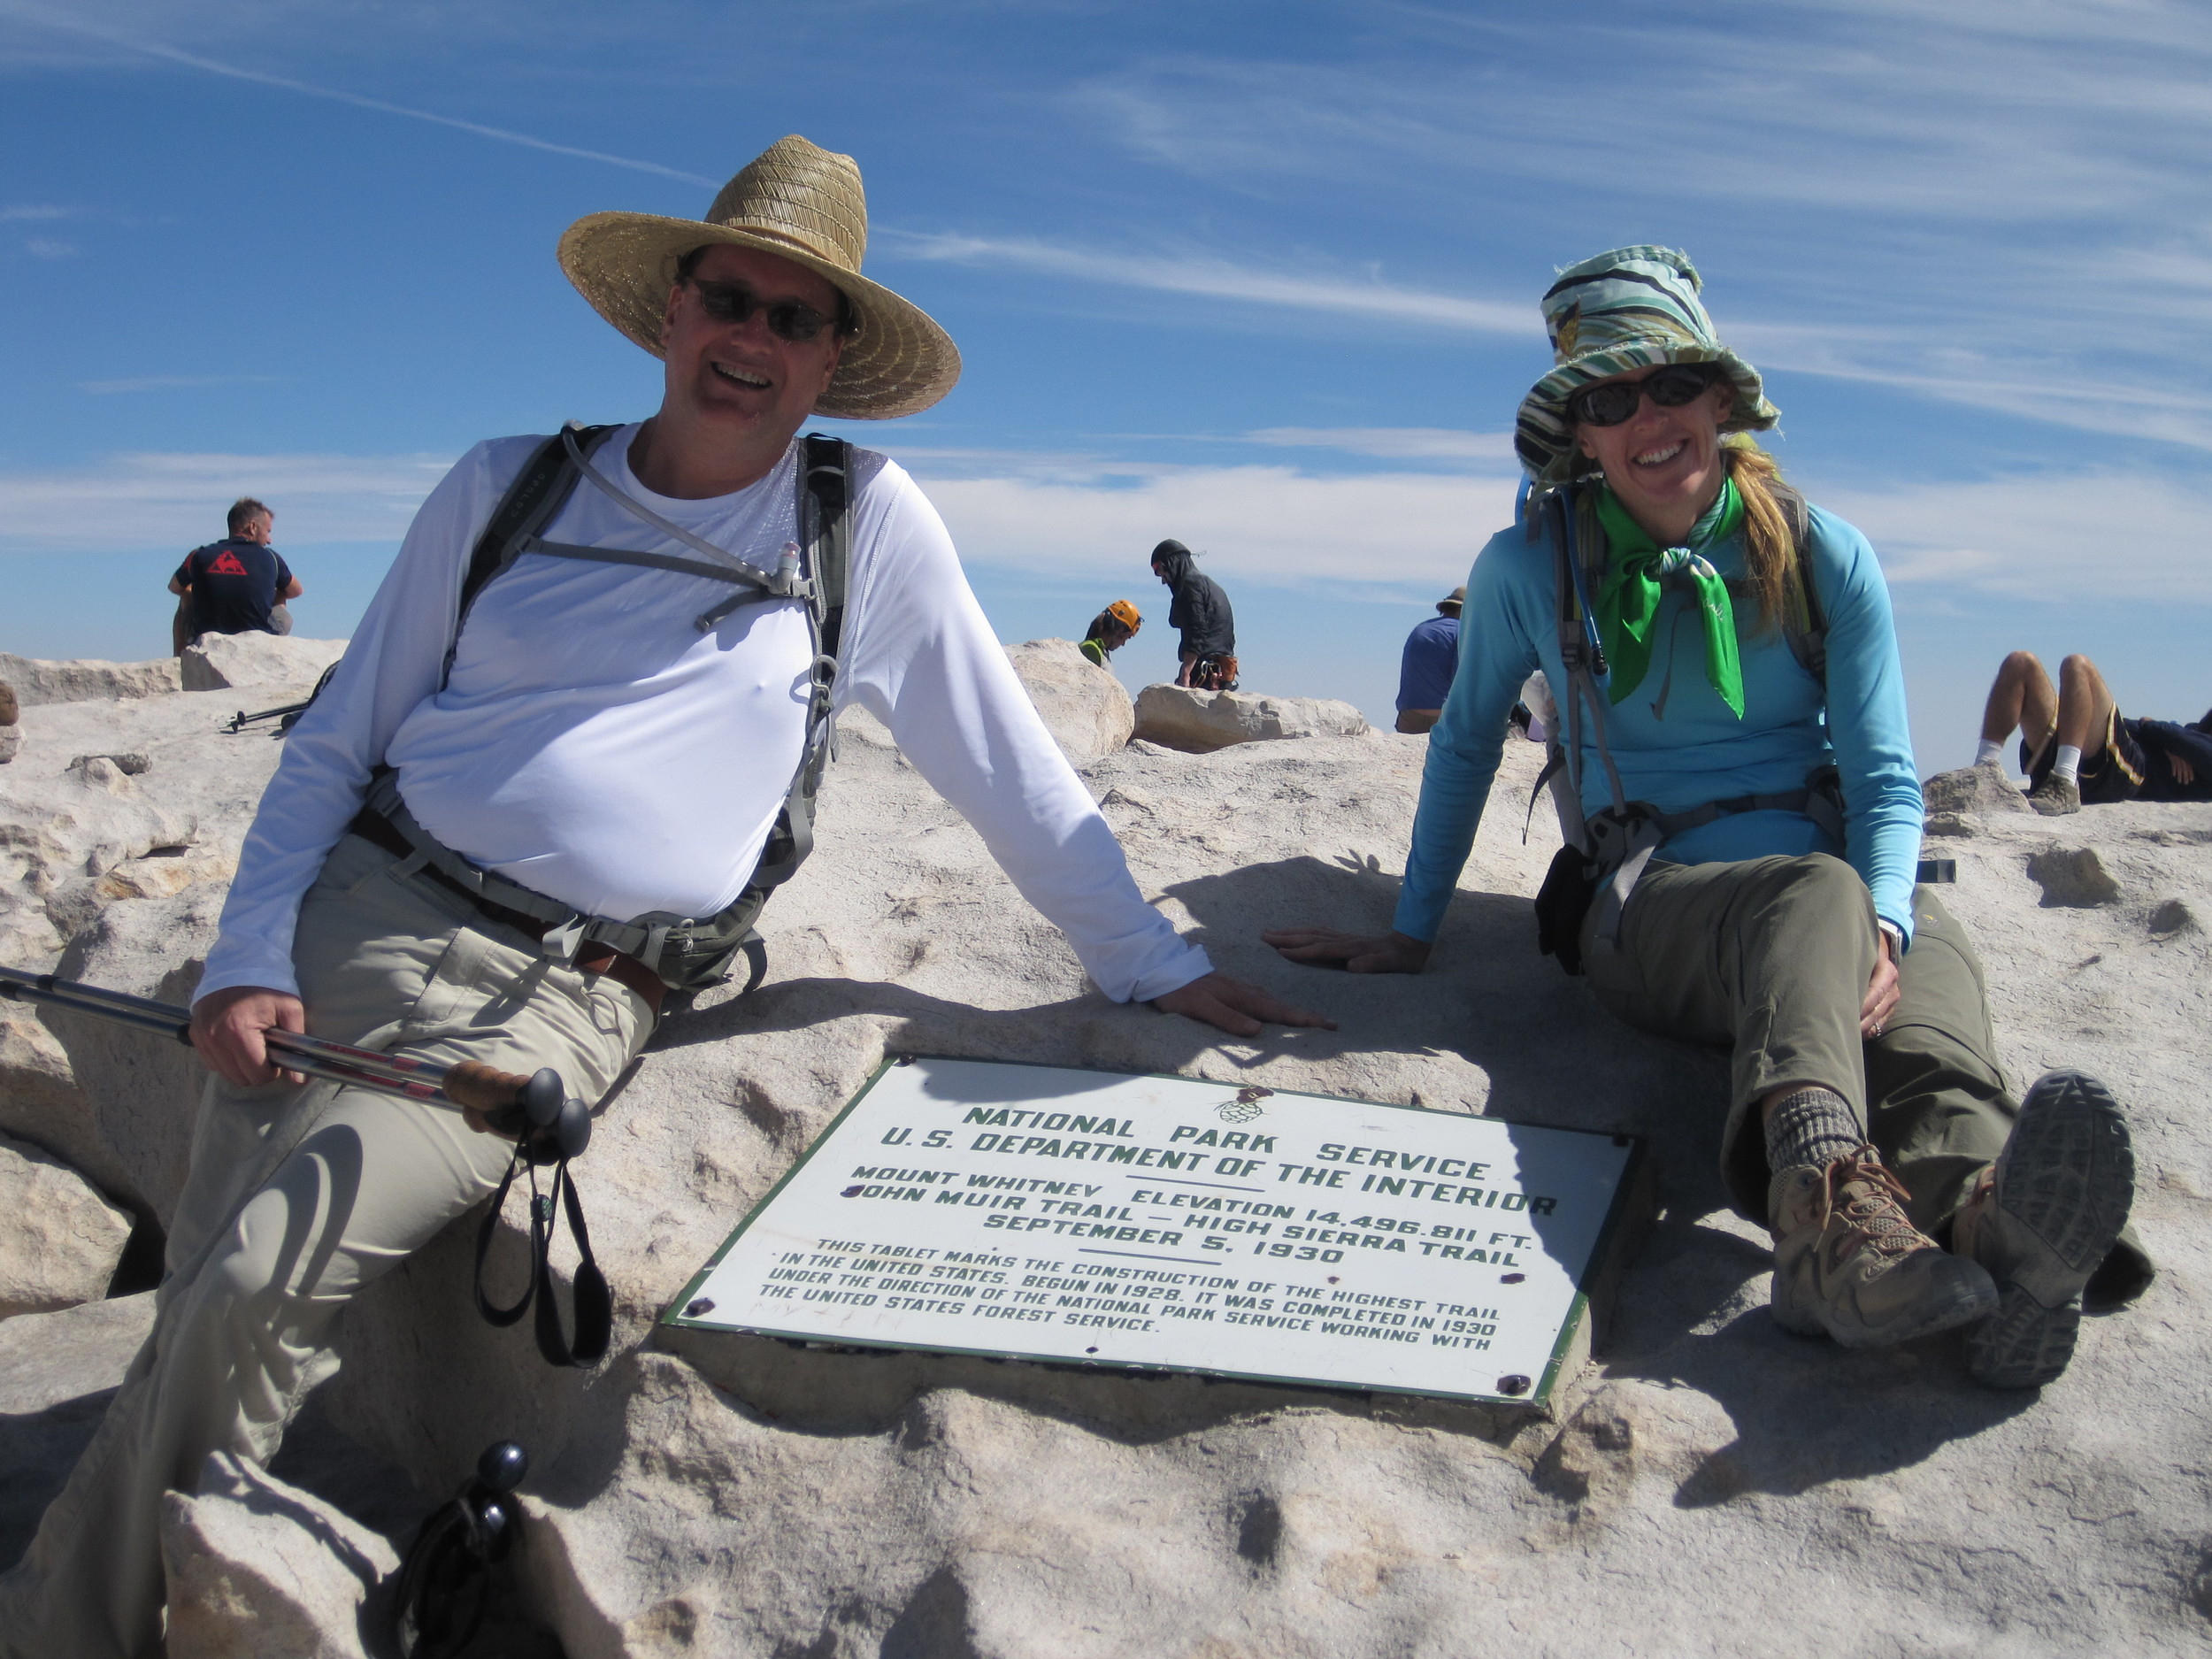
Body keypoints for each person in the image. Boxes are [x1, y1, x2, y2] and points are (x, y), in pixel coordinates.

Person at [0, 134, 1329, 1659]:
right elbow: (338, 738)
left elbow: (1001, 760)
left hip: (557, 992)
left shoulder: (861, 522)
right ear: (670, 313)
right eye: (728, 298)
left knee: (244, 1283)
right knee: (196, 1316)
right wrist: (245, 953)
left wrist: (1148, 961)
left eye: (795, 317)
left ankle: (58, 1628)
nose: (753, 337)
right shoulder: (504, 484)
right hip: (349, 917)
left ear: (834, 358)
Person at [1264, 245, 2147, 1391]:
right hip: (1647, 907)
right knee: (1815, 893)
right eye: (1609, 399)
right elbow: (1467, 741)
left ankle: (1993, 1234)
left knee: (1927, 1009)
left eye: (1671, 384)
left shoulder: (1823, 552)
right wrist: (1411, 928)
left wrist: (1887, 925)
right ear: (1580, 432)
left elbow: (1884, 778)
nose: (1648, 418)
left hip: (1833, 886)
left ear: (1721, 400)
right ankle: (1826, 1224)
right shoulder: (1532, 566)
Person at [1976, 649, 2212, 816]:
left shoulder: (2198, 747)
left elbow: (2160, 730)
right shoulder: (2190, 736)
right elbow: (2141, 725)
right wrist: (2168, 740)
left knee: (2078, 665)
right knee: (2020, 662)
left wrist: (2166, 738)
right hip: (2076, 760)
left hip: (2119, 775)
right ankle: (1981, 773)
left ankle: (2065, 784)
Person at [169, 497, 303, 654]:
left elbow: (174, 587)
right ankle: (273, 649)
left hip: (205, 637)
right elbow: (296, 591)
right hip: (259, 637)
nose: (269, 540)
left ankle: (179, 660)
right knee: (280, 592)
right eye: (268, 531)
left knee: (187, 590)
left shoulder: (198, 555)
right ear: (253, 527)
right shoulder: (271, 557)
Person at [1150, 538, 1237, 689]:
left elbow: (1196, 629)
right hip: (1220, 672)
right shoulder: (1205, 584)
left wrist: (1186, 672)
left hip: (1205, 673)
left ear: (1172, 562)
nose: (1163, 580)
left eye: (1160, 569)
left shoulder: (1190, 585)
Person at [1394, 585, 1463, 733]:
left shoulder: (1421, 629)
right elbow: (1463, 679)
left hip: (1409, 715)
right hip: (1443, 717)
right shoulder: (1462, 632)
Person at [1079, 598, 1141, 666]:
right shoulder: (1091, 650)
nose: (1123, 644)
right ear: (1119, 631)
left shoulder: (1101, 652)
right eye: (1126, 638)